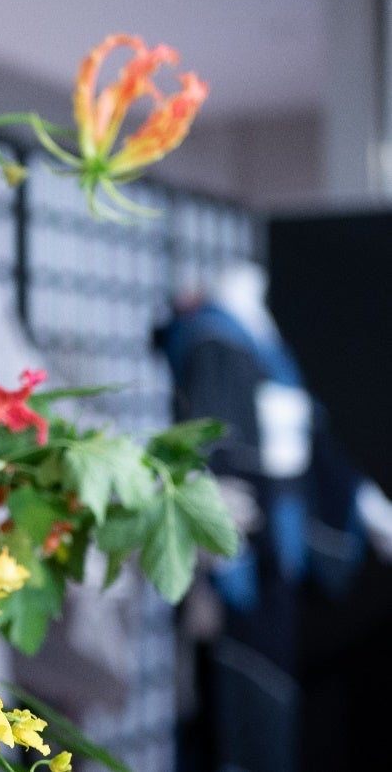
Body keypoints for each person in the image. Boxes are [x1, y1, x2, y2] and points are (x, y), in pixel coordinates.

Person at [156, 260, 392, 772]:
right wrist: (212, 526)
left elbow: (313, 443)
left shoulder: (260, 339)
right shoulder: (214, 339)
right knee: (230, 691)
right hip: (238, 544)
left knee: (268, 688)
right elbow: (209, 444)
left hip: (278, 538)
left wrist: (363, 503)